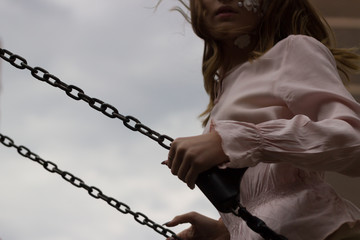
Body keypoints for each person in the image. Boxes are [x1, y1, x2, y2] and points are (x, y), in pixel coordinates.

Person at [160, 0, 360, 239]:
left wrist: (240, 142)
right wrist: (224, 232)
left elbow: (352, 138)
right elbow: (264, 192)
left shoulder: (292, 51)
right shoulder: (223, 92)